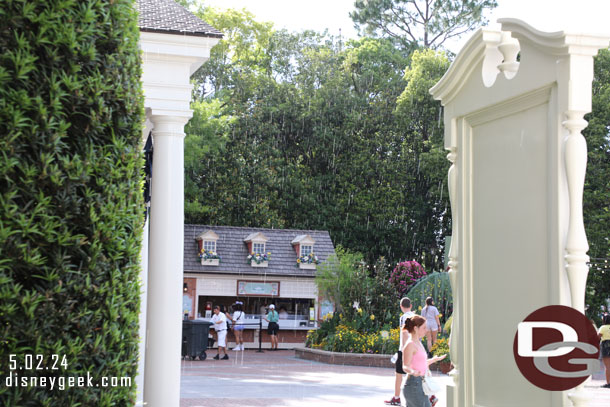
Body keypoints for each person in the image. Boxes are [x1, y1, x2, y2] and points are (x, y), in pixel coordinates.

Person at [402, 315, 446, 407]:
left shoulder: (418, 342)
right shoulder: (410, 344)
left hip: (420, 384)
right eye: (424, 328)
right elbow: (405, 366)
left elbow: (420, 364)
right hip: (414, 384)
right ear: (416, 328)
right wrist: (412, 371)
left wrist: (434, 360)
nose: (426, 330)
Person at [385, 297, 416, 406]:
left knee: (399, 374)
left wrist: (402, 351)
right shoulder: (415, 317)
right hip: (415, 348)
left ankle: (396, 398)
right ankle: (430, 395)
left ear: (401, 307)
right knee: (416, 373)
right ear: (411, 306)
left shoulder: (404, 318)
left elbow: (404, 334)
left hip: (404, 349)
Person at [599, 313, 610, 388]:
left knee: (608, 366)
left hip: (606, 346)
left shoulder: (603, 327)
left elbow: (598, 336)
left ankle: (608, 383)